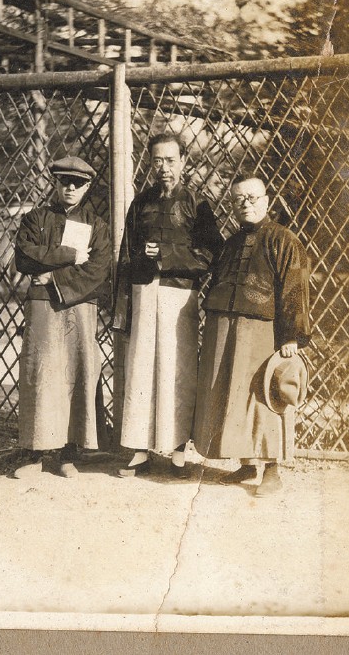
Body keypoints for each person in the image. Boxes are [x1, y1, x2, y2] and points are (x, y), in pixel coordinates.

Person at [193, 171, 311, 496]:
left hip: (261, 331)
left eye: (252, 197)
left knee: (264, 399)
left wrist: (291, 336)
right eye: (238, 199)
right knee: (232, 397)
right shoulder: (230, 243)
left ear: (266, 201)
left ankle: (271, 471)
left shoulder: (283, 240)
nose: (246, 204)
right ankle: (246, 464)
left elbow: (295, 288)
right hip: (224, 328)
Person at [113, 133, 223, 477]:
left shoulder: (196, 204)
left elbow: (211, 254)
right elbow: (126, 253)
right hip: (144, 293)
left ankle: (177, 450)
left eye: (171, 160)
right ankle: (139, 450)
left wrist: (167, 255)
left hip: (179, 297)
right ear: (150, 163)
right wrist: (138, 267)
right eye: (158, 160)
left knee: (177, 370)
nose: (164, 168)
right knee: (141, 368)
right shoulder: (140, 203)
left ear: (183, 162)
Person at [12, 156, 111, 477]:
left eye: (78, 183)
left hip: (80, 306)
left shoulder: (97, 226)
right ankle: (36, 455)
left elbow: (97, 270)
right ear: (55, 182)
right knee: (41, 374)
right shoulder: (35, 219)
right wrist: (68, 255)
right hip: (43, 306)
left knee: (75, 373)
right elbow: (24, 257)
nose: (70, 187)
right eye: (64, 181)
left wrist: (51, 277)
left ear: (87, 186)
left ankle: (68, 454)